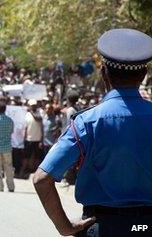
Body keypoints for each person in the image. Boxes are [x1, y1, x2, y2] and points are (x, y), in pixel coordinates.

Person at [34, 28, 152, 236]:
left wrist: (65, 227)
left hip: (102, 226)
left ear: (104, 73)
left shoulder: (87, 122)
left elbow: (42, 179)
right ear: (143, 75)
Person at [19, 99, 43, 178]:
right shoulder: (27, 115)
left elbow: (39, 120)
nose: (33, 107)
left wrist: (41, 140)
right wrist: (24, 139)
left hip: (37, 139)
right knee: (26, 157)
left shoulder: (40, 113)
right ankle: (23, 171)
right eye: (32, 105)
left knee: (37, 157)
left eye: (34, 105)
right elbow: (25, 128)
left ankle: (36, 173)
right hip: (29, 139)